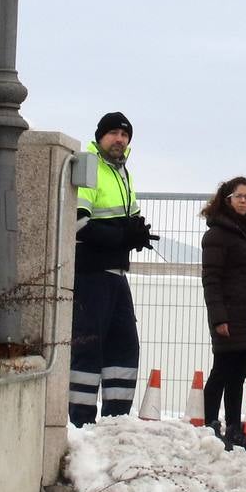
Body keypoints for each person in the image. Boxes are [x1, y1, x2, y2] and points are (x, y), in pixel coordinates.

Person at [69, 112, 156, 427]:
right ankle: (80, 424)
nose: (120, 139)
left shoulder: (123, 173)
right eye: (114, 133)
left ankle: (116, 422)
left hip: (116, 274)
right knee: (88, 348)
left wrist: (138, 234)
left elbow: (130, 220)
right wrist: (123, 236)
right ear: (100, 136)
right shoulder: (91, 166)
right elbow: (78, 223)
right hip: (91, 274)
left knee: (124, 346)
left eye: (125, 134)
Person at [200, 176, 246, 452]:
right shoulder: (216, 235)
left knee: (238, 375)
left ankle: (235, 429)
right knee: (222, 372)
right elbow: (211, 280)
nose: (244, 201)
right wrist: (219, 318)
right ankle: (211, 424)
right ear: (226, 200)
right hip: (228, 317)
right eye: (239, 196)